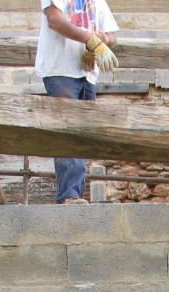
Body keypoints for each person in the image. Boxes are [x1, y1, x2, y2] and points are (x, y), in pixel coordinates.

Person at [35, 0, 119, 204]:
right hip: (61, 70)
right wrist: (89, 38)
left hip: (87, 73)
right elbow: (55, 20)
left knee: (81, 135)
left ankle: (74, 194)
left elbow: (113, 35)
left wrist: (102, 40)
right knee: (68, 132)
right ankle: (69, 196)